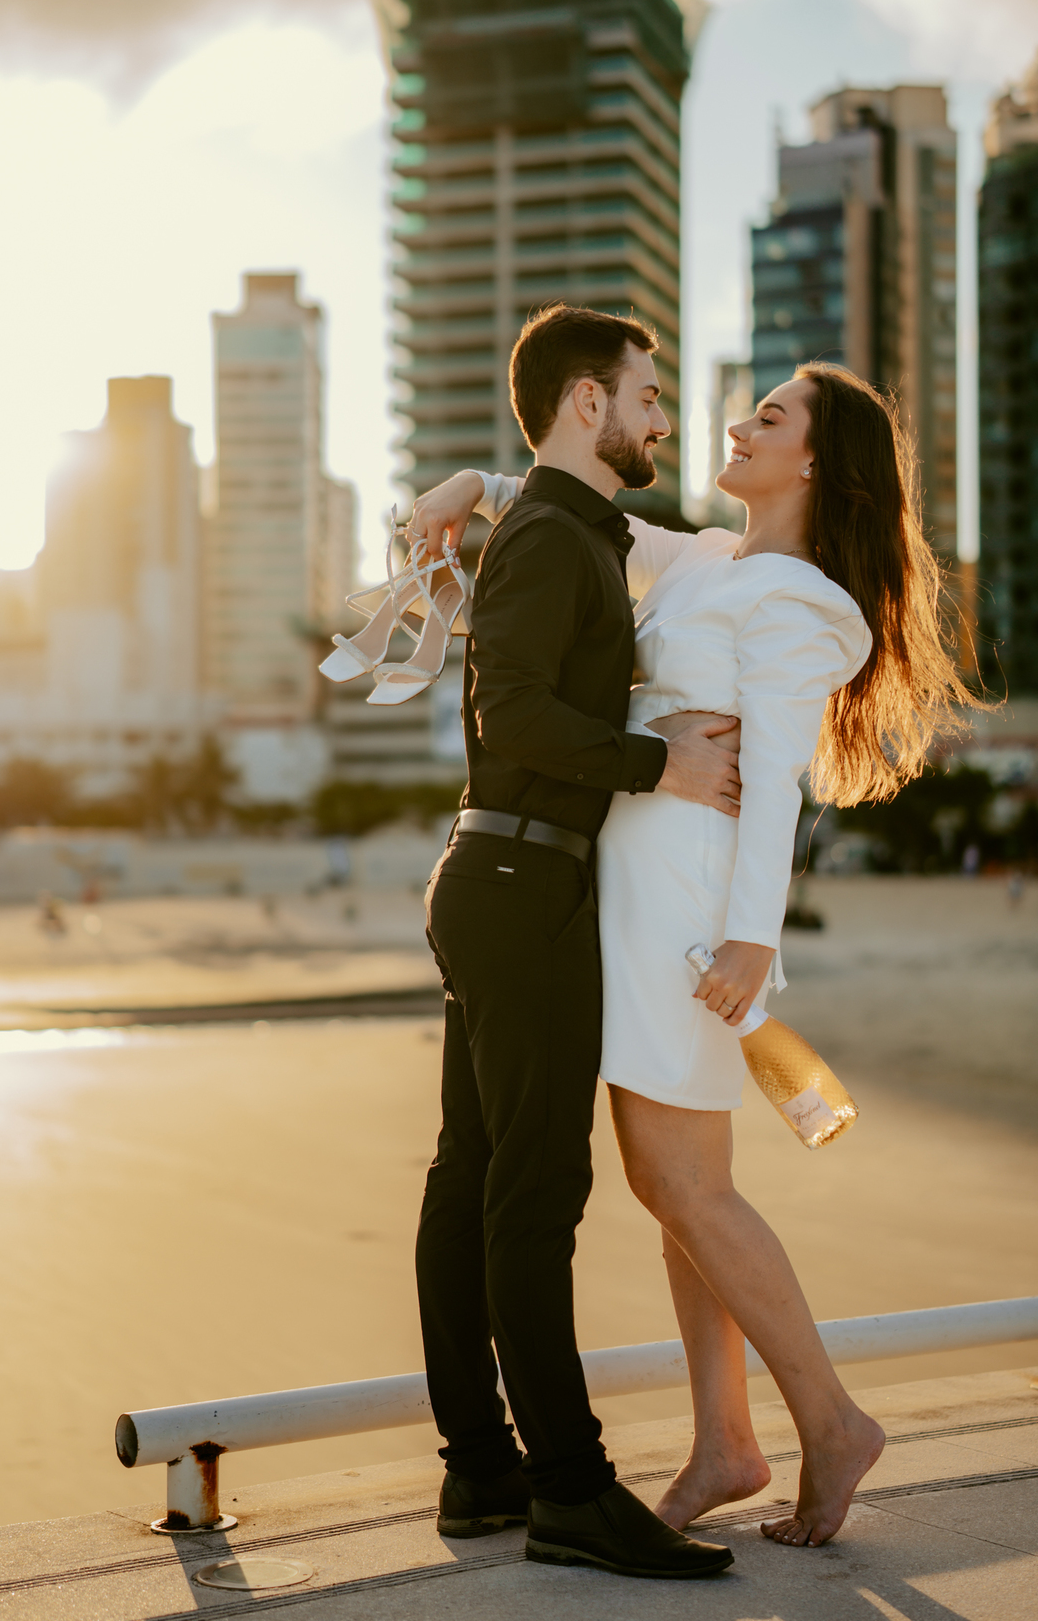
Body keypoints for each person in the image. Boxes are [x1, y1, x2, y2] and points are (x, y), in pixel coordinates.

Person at [411, 306, 980, 1552]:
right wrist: (470, 481)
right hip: (618, 889)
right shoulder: (709, 557)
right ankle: (725, 1439)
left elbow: (771, 775)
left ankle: (827, 1420)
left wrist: (751, 942)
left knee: (680, 1180)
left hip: (683, 908)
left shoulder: (797, 599)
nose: (730, 421)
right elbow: (574, 499)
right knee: (675, 1185)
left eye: (768, 416)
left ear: (817, 464)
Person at [414, 305, 739, 1582]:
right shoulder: (552, 536)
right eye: (646, 395)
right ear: (586, 406)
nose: (661, 417)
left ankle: (481, 1465)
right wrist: (659, 763)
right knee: (531, 1192)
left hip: (499, 876)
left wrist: (487, 485)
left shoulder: (558, 526)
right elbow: (516, 703)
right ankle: (569, 1488)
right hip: (519, 879)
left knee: (474, 1177)